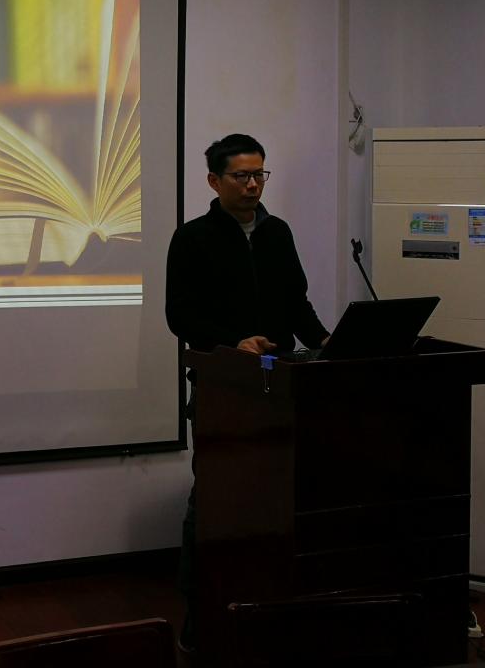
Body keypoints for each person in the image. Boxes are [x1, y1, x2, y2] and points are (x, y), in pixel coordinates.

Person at [165, 133, 330, 653]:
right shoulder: (192, 239)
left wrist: (326, 341)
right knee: (215, 500)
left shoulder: (277, 233)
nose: (254, 185)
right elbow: (180, 316)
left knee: (281, 498)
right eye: (242, 176)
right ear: (214, 181)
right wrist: (232, 343)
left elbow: (297, 304)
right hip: (224, 388)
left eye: (260, 174)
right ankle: (201, 613)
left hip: (281, 385)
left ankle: (276, 608)